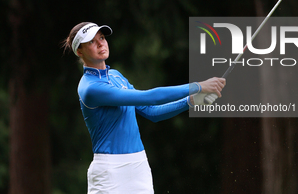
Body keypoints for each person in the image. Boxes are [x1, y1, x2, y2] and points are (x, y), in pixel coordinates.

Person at [62, 22, 226, 194]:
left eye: (102, 38)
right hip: (110, 172)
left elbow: (151, 112)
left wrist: (190, 101)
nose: (101, 43)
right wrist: (198, 86)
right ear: (79, 51)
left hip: (139, 167)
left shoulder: (116, 76)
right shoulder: (90, 88)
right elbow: (149, 98)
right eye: (91, 42)